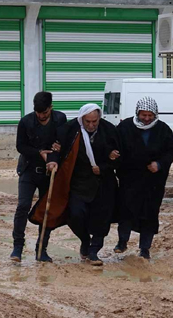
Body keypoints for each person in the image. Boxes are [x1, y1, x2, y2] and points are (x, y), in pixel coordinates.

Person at [31, 103, 119, 266]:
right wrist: (52, 162)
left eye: (95, 121)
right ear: (81, 119)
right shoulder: (69, 130)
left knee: (102, 219)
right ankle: (85, 240)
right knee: (75, 214)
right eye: (88, 122)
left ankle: (93, 252)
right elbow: (55, 150)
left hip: (103, 184)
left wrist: (105, 166)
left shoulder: (109, 130)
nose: (91, 125)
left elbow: (118, 156)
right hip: (77, 182)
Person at [113, 96, 173, 260]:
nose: (147, 119)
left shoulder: (163, 129)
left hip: (152, 182)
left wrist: (160, 164)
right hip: (130, 179)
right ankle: (122, 242)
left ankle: (145, 249)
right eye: (144, 115)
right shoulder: (125, 127)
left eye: (150, 116)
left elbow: (171, 150)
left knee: (149, 214)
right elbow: (114, 145)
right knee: (126, 211)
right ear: (138, 113)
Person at [10, 91, 67, 263]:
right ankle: (17, 247)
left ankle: (41, 249)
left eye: (45, 112)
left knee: (46, 210)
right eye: (39, 113)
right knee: (23, 206)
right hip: (29, 169)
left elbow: (64, 144)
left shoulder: (60, 119)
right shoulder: (26, 121)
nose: (42, 116)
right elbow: (20, 146)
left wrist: (57, 152)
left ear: (51, 108)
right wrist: (39, 153)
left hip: (50, 172)